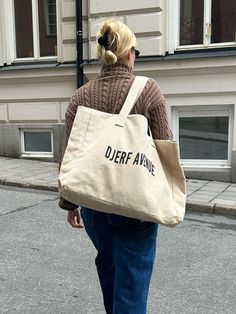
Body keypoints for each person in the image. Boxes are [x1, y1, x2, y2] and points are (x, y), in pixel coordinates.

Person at [59, 20, 173, 314]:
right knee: (132, 281)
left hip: (94, 203)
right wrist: (170, 193)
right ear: (130, 53)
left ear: (102, 52)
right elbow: (166, 148)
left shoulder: (80, 96)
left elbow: (70, 155)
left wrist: (70, 203)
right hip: (135, 204)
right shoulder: (148, 90)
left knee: (109, 269)